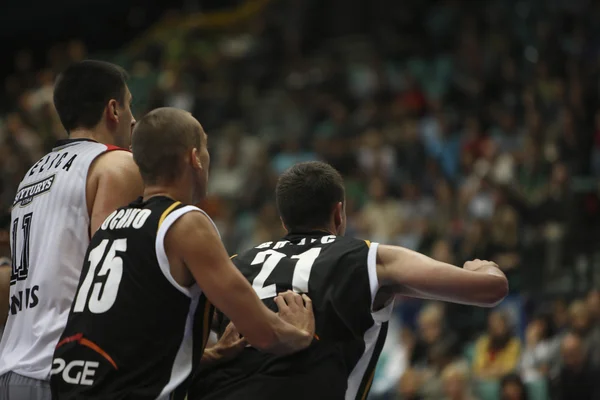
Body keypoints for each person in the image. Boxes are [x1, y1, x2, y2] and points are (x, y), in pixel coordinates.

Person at [50, 108, 315, 399]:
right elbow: (265, 332)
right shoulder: (184, 222)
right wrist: (300, 335)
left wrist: (212, 355)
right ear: (195, 158)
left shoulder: (111, 223)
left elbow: (130, 346)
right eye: (206, 147)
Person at [192, 161, 509, 400]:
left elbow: (171, 352)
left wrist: (218, 353)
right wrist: (484, 267)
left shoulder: (234, 266)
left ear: (283, 219)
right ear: (339, 213)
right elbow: (490, 291)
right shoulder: (371, 257)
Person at [0, 60, 143, 399]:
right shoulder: (116, 163)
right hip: (68, 369)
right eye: (129, 104)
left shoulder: (31, 176)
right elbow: (111, 274)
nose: (134, 118)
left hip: (12, 366)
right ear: (113, 110)